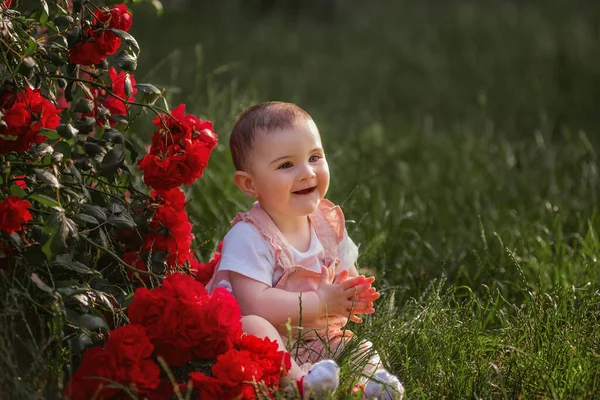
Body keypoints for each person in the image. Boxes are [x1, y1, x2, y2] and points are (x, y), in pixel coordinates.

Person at [205, 102, 404, 399]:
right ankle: (302, 384)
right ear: (249, 184)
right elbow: (254, 303)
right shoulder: (248, 236)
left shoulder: (327, 223)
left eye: (314, 157)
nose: (307, 172)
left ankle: (371, 385)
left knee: (359, 347)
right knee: (252, 326)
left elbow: (342, 275)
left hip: (316, 335)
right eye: (286, 165)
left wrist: (350, 295)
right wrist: (320, 302)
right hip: (268, 340)